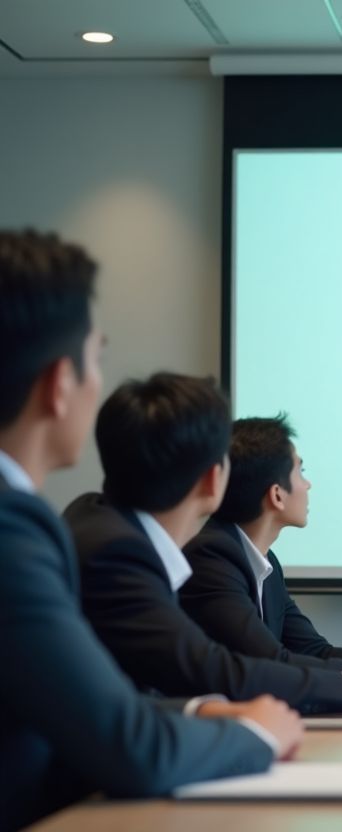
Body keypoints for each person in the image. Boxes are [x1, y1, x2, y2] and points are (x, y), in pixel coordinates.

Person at [0, 229, 302, 830]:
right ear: (61, 385)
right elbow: (131, 747)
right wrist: (256, 735)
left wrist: (197, 712)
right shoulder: (14, 533)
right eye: (96, 358)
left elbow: (85, 706)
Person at [64, 373, 342, 715]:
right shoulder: (135, 554)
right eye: (301, 471)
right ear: (214, 479)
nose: (307, 484)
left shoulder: (101, 525)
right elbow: (220, 669)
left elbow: (306, 650)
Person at [180, 415, 342, 669]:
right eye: (301, 472)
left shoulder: (266, 563)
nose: (308, 484)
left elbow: (314, 650)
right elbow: (269, 661)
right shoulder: (212, 557)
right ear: (277, 495)